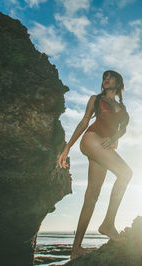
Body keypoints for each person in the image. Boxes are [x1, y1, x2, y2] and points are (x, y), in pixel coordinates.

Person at [57, 70, 132, 260]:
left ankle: (76, 249)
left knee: (92, 196)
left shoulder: (123, 110)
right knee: (126, 173)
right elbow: (84, 122)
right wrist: (67, 148)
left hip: (103, 148)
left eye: (110, 77)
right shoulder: (95, 99)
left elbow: (123, 130)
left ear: (118, 82)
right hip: (91, 139)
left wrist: (115, 137)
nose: (106, 79)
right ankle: (108, 224)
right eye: (104, 78)